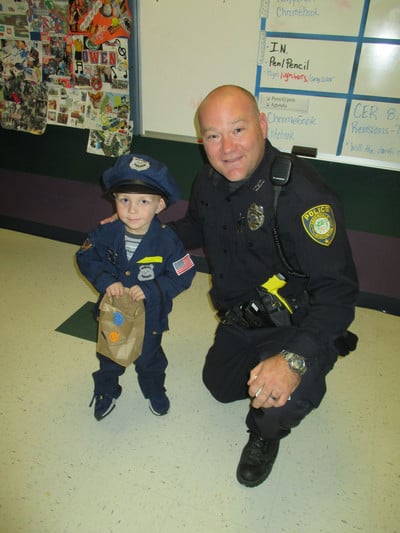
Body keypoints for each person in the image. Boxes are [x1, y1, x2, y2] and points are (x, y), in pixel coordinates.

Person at [168, 85, 359, 487]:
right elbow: (193, 228)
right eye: (213, 136)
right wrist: (143, 231)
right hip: (244, 316)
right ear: (202, 141)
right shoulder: (209, 181)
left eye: (238, 129)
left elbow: (338, 294)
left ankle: (280, 415)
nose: (227, 148)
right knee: (219, 386)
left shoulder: (302, 196)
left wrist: (293, 359)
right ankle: (293, 365)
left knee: (271, 405)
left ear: (262, 125)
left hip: (297, 321)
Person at [76, 154, 196, 421]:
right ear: (114, 199)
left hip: (150, 314)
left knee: (150, 358)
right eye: (124, 200)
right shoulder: (105, 232)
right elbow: (85, 256)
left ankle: (154, 389)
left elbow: (185, 274)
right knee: (110, 355)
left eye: (143, 201)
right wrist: (107, 281)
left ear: (159, 205)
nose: (132, 210)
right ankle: (107, 389)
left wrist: (153, 288)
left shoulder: (167, 241)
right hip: (115, 312)